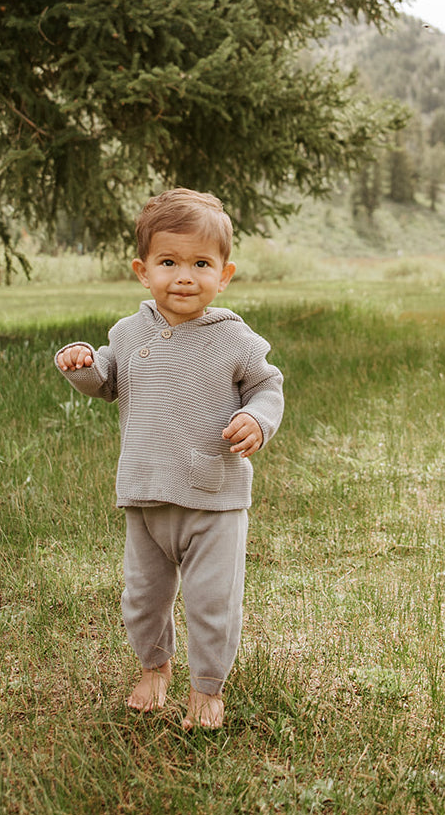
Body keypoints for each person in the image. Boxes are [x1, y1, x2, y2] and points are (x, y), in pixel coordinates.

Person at [55, 188, 284, 729]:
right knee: (142, 598)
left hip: (213, 499)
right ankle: (153, 667)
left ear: (224, 275)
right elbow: (106, 378)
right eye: (169, 262)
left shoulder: (235, 339)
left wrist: (258, 418)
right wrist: (82, 364)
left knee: (212, 601)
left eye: (201, 264)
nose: (184, 276)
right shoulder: (127, 333)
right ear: (143, 270)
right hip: (146, 494)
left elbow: (267, 386)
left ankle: (207, 688)